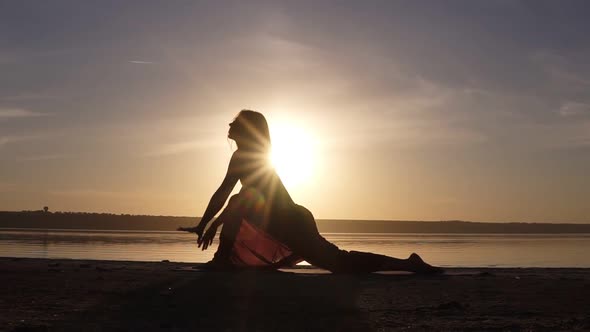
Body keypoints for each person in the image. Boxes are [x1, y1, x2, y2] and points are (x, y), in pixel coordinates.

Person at [179, 110, 442, 274]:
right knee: (340, 262)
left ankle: (409, 264)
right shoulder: (245, 154)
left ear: (246, 128)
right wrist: (208, 223)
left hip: (291, 222)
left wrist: (211, 223)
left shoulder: (249, 155)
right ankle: (222, 259)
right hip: (283, 220)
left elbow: (236, 196)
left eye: (235, 121)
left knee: (341, 264)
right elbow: (235, 196)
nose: (229, 124)